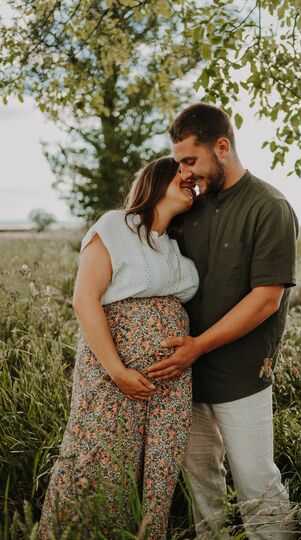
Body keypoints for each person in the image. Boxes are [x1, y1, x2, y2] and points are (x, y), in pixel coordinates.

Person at [145, 103, 298, 539]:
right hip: (184, 377)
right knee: (202, 492)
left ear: (223, 147)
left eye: (190, 160)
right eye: (178, 162)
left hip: (241, 376)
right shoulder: (188, 206)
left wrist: (198, 346)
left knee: (256, 484)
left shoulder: (270, 207)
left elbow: (266, 300)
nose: (184, 172)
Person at [38, 156, 199, 540]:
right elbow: (84, 299)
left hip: (171, 382)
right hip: (114, 376)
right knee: (103, 465)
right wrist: (117, 370)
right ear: (156, 181)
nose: (191, 181)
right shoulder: (115, 225)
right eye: (182, 175)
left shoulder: (175, 245)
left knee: (159, 472)